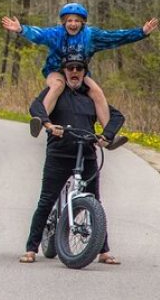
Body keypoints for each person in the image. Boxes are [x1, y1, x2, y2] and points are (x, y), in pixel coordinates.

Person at [19, 53, 124, 264]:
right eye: (70, 68)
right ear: (64, 71)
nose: (74, 72)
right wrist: (48, 125)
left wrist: (107, 136)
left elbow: (118, 116)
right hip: (59, 152)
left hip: (86, 153)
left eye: (78, 68)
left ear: (84, 72)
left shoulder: (91, 96)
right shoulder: (56, 92)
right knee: (47, 200)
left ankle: (103, 251)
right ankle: (31, 248)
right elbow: (35, 107)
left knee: (95, 200)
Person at [1, 3, 157, 133]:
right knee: (58, 85)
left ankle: (108, 134)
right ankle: (43, 121)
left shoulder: (91, 36)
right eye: (69, 21)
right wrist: (21, 29)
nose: (73, 24)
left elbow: (115, 37)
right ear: (64, 22)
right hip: (56, 71)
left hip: (80, 73)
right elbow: (39, 34)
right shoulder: (56, 34)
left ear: (83, 22)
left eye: (77, 21)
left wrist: (141, 33)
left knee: (96, 91)